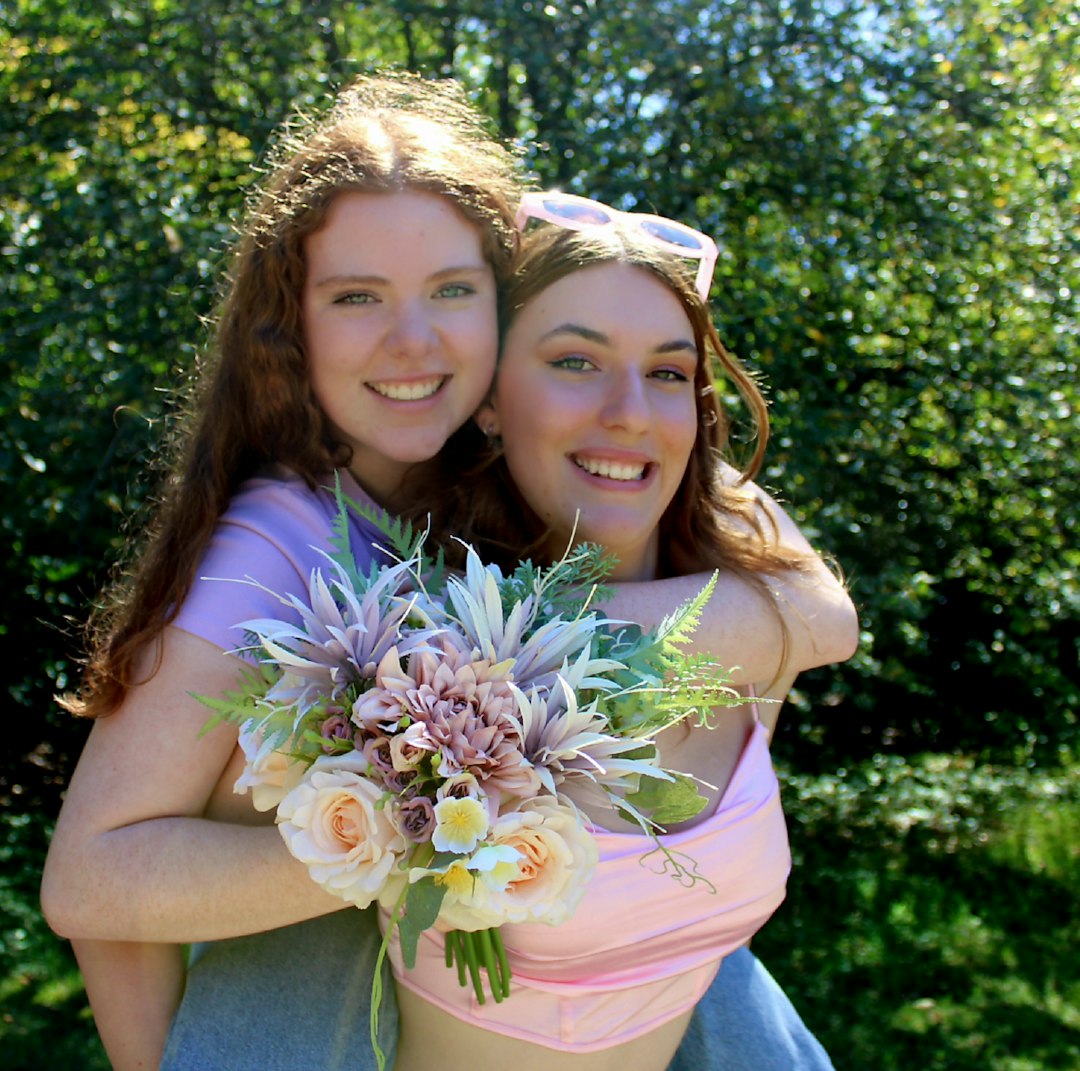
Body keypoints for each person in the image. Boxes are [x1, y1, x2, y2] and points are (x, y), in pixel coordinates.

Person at [38, 75, 854, 1071]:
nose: (415, 342)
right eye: (357, 297)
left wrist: (547, 650)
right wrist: (417, 822)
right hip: (294, 1007)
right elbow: (91, 888)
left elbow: (819, 607)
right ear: (288, 329)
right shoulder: (274, 550)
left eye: (454, 291)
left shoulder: (536, 457)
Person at [389, 196, 854, 1071]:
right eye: (575, 360)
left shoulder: (751, 622)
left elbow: (835, 617)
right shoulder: (409, 651)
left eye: (669, 373)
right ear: (487, 397)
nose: (630, 411)